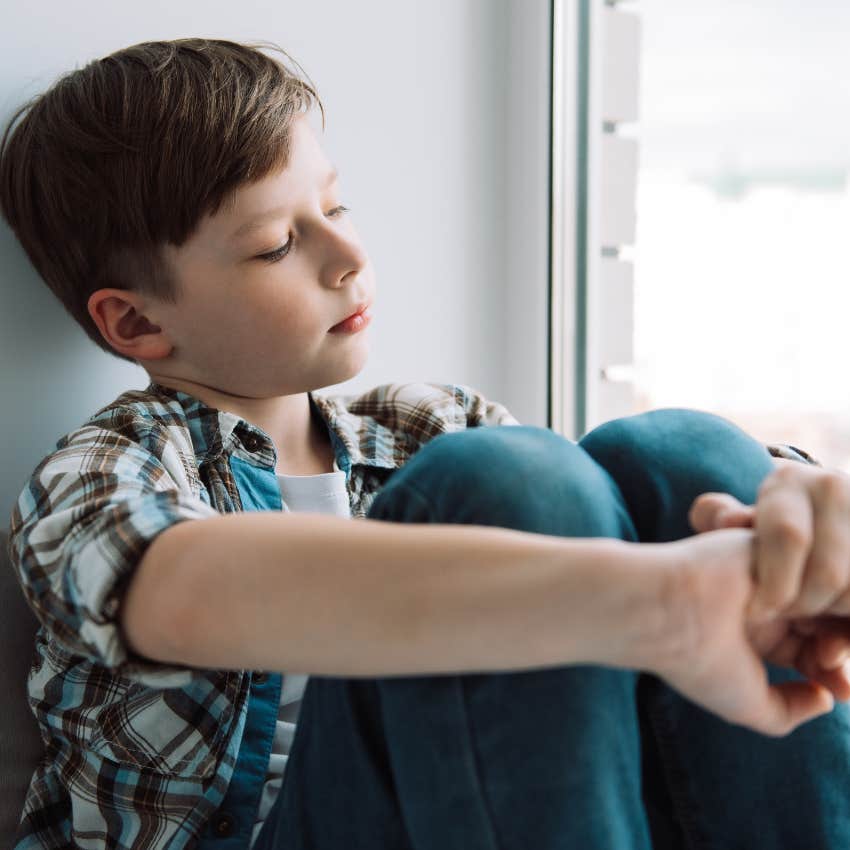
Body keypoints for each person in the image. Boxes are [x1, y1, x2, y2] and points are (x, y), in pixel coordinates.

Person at [3, 37, 850, 850]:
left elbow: (611, 511)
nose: (348, 254)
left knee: (678, 455)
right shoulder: (103, 469)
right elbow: (176, 590)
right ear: (137, 322)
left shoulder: (429, 428)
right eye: (277, 245)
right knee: (503, 481)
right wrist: (652, 599)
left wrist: (796, 523)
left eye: (334, 206)